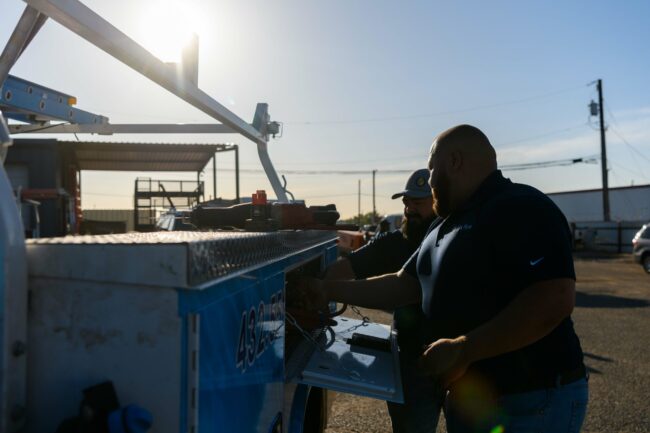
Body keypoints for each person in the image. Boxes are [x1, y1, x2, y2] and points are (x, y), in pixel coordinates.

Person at [302, 124, 588, 433]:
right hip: (474, 399)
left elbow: (554, 298)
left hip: (528, 401)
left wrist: (465, 348)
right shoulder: (444, 225)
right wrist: (328, 289)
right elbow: (403, 285)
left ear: (454, 162)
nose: (432, 180)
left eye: (432, 168)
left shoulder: (518, 206)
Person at [323, 168, 441, 433]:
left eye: (418, 203)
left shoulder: (454, 240)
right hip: (412, 361)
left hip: (459, 360)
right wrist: (321, 287)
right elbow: (347, 266)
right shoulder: (394, 243)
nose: (409, 209)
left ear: (438, 200)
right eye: (406, 202)